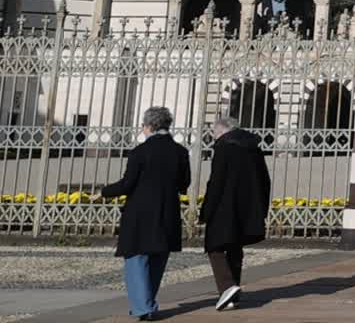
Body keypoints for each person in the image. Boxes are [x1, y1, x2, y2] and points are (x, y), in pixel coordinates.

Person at [101, 106, 191, 321]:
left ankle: (144, 307)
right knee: (158, 259)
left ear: (149, 126)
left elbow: (127, 184)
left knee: (136, 259)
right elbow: (183, 183)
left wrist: (104, 191)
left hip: (140, 213)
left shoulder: (140, 152)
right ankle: (148, 301)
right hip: (167, 210)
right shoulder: (180, 152)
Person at [201, 114, 271, 311]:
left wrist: (207, 209)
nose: (214, 137)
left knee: (214, 246)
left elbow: (216, 182)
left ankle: (227, 286)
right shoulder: (253, 147)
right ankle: (232, 295)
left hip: (225, 206)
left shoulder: (224, 147)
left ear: (222, 130)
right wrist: (261, 207)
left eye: (215, 133)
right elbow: (265, 180)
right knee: (234, 247)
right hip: (248, 207)